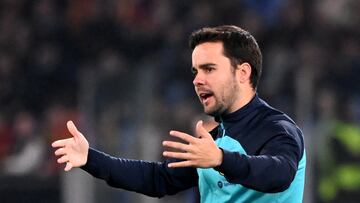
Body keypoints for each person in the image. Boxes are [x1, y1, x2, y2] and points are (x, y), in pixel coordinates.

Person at [52, 25, 306, 203]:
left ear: (243, 73)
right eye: (196, 71)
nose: (197, 80)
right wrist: (90, 158)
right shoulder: (214, 139)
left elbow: (280, 173)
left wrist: (220, 158)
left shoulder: (278, 128)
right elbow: (158, 179)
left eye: (209, 69)